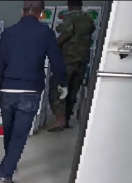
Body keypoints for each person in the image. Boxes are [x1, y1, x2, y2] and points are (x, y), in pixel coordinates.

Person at [0, 0, 68, 183]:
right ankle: (4, 176)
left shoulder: (8, 32)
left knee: (10, 132)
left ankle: (10, 165)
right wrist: (63, 83)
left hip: (7, 90)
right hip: (30, 91)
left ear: (21, 11)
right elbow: (56, 60)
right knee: (19, 135)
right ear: (42, 14)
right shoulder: (45, 32)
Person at [47, 0, 96, 132]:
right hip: (82, 60)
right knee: (73, 90)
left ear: (69, 6)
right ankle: (67, 119)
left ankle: (59, 120)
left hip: (67, 59)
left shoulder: (71, 17)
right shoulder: (88, 19)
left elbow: (65, 34)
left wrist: (53, 47)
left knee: (58, 88)